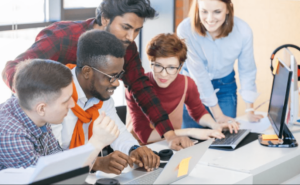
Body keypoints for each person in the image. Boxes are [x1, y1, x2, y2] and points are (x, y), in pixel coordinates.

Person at [2, 0, 193, 150]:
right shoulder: (63, 37)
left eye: (137, 30)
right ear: (104, 19)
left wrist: (169, 134)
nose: (131, 37)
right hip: (42, 121)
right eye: (126, 27)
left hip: (81, 125)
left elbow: (140, 86)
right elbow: (14, 69)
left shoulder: (127, 47)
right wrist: (38, 100)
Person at [51, 30, 159, 175]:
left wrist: (134, 149)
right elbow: (52, 160)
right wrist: (96, 163)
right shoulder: (55, 97)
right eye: (111, 77)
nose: (116, 84)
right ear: (87, 72)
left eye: (119, 75)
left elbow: (117, 132)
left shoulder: (102, 98)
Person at [0, 59, 120, 170]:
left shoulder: (34, 112)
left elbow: (57, 161)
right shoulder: (12, 136)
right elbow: (53, 179)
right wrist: (97, 143)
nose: (73, 105)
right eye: (65, 101)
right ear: (41, 108)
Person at [125, 33, 239, 145]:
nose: (164, 74)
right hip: (138, 150)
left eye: (171, 67)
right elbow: (145, 136)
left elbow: (198, 112)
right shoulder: (137, 87)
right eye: (158, 65)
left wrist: (215, 126)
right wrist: (190, 132)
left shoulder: (187, 84)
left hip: (173, 147)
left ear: (180, 67)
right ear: (150, 64)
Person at [177, 0, 264, 129]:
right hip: (193, 85)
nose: (210, 19)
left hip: (225, 86)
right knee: (191, 141)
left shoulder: (243, 30)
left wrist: (249, 110)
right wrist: (218, 116)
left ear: (228, 9)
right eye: (204, 11)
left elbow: (247, 70)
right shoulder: (185, 30)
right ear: (197, 8)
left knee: (225, 140)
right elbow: (199, 74)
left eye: (217, 12)